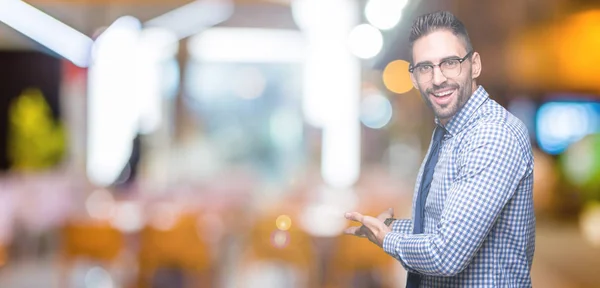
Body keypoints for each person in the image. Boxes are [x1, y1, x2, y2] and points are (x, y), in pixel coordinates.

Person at [344, 10, 535, 287]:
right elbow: (442, 230)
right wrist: (390, 228)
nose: (437, 79)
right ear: (413, 78)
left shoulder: (491, 134)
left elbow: (447, 254)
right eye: (425, 67)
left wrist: (388, 239)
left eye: (450, 62)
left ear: (475, 65)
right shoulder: (448, 133)